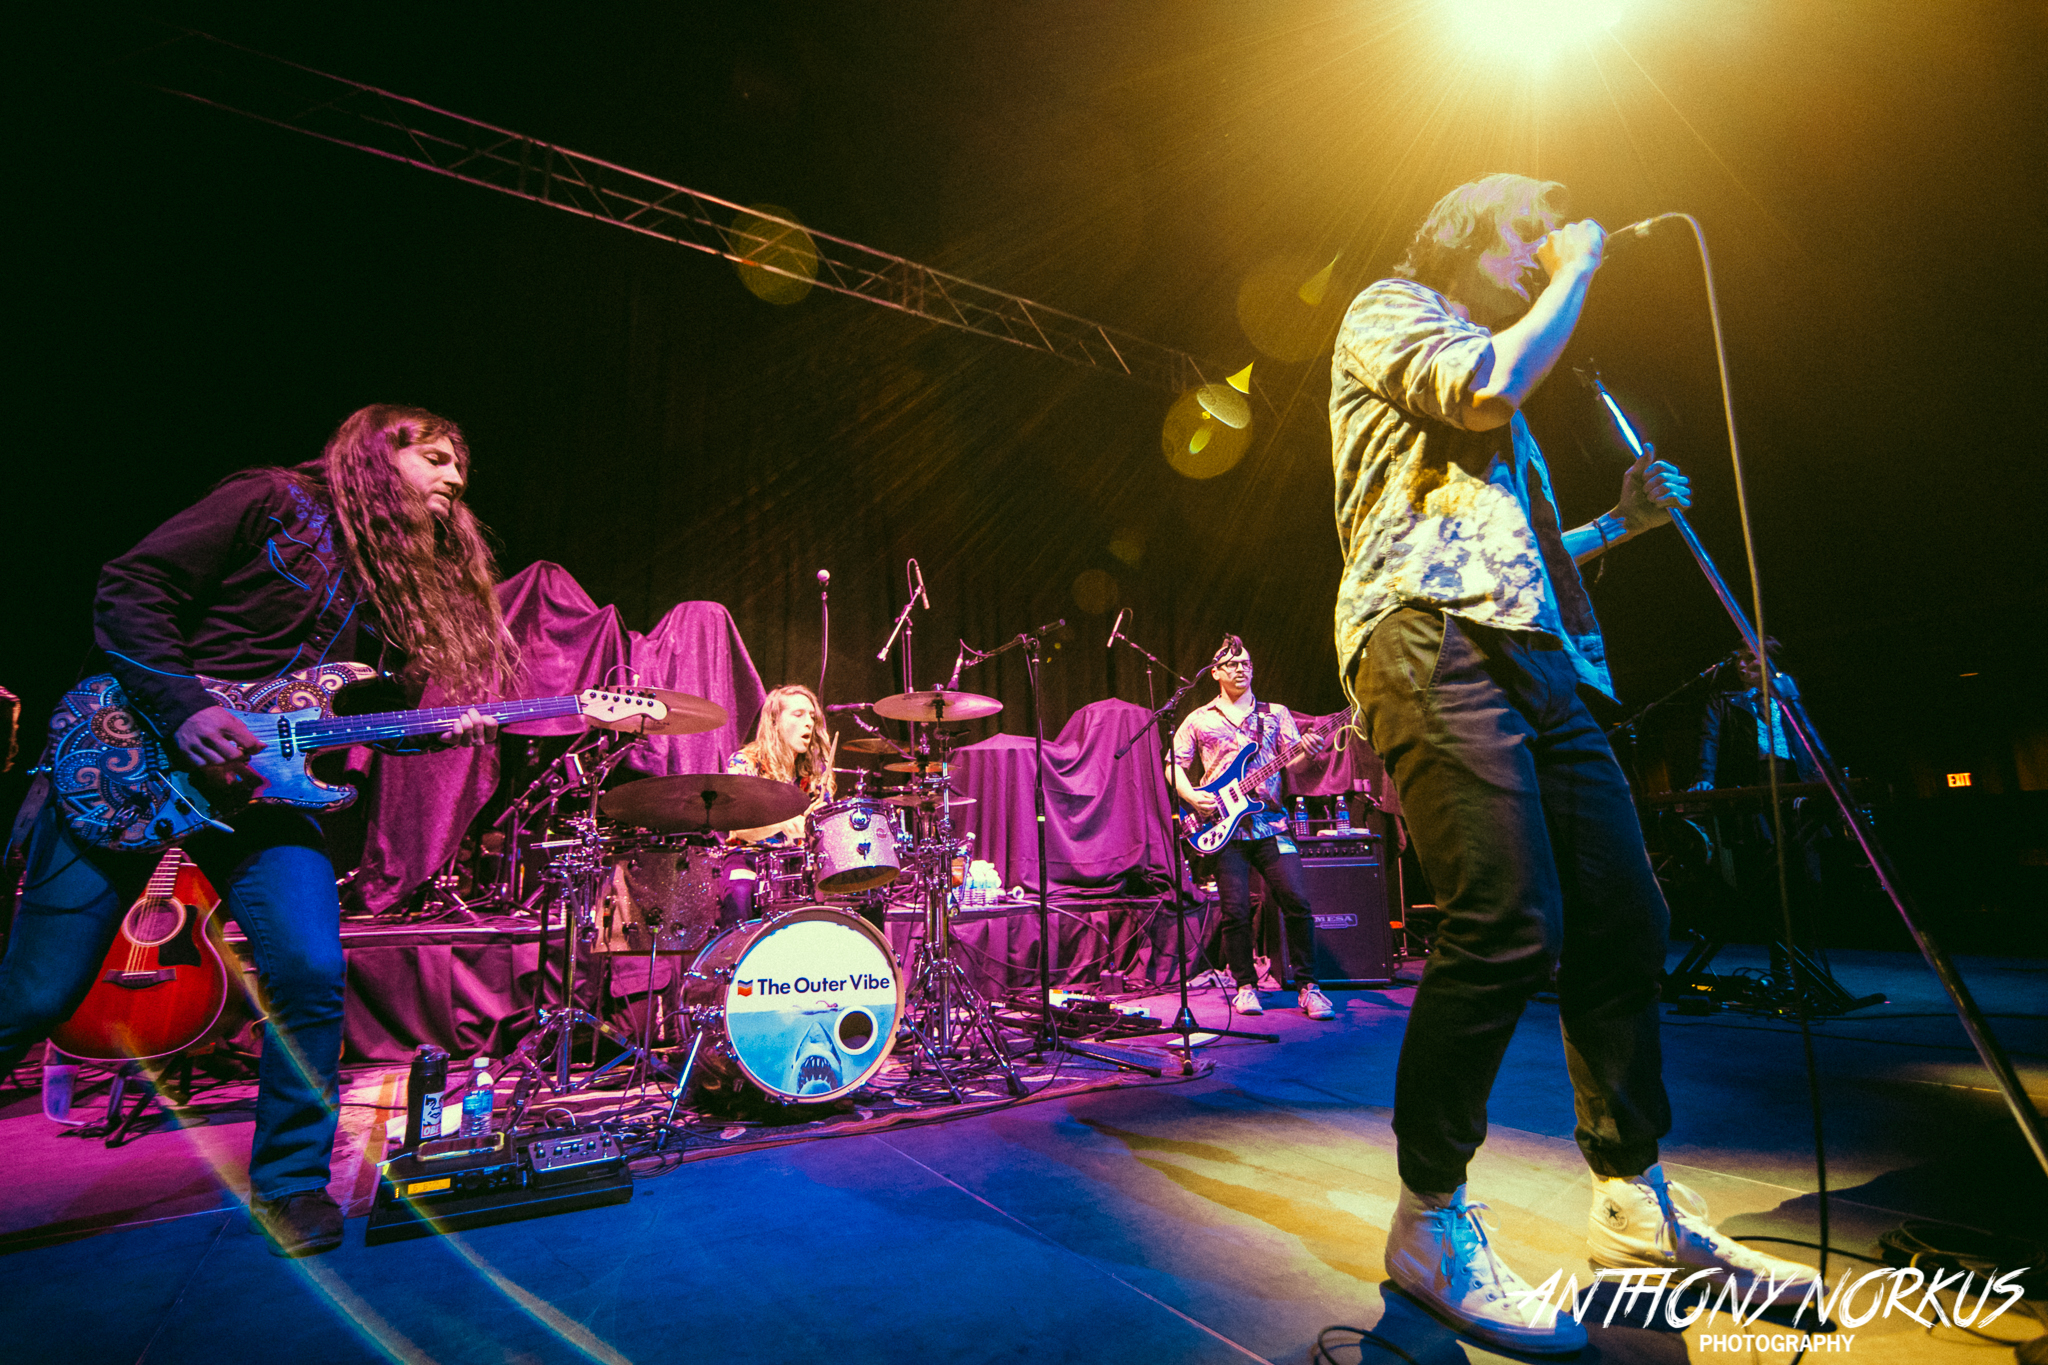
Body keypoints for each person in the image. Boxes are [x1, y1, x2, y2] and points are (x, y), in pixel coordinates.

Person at [1331, 174, 1818, 1352]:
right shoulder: (1391, 308)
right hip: (1425, 636)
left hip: (1541, 657)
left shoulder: (1508, 373)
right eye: (1520, 232)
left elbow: (1516, 546)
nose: (1537, 249)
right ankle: (1427, 1216)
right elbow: (1481, 386)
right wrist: (1579, 267)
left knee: (1621, 917)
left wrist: (1620, 525)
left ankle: (1630, 1199)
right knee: (1503, 923)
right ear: (1458, 233)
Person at [0, 404, 511, 1258]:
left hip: (264, 795)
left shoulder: (398, 583)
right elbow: (131, 587)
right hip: (131, 762)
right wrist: (187, 708)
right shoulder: (272, 501)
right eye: (435, 456)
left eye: (459, 463)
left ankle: (291, 1184)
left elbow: (356, 709)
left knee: (309, 968)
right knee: (37, 995)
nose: (456, 477)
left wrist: (434, 730)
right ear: (377, 453)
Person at [1171, 637, 1334, 1021]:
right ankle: (1245, 986)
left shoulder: (1275, 714)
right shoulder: (1199, 718)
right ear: (1215, 672)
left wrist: (1307, 752)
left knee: (1297, 901)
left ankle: (1309, 986)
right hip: (1223, 827)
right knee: (1236, 911)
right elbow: (1173, 764)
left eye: (1245, 663)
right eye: (1231, 664)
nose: (1240, 669)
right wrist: (1192, 796)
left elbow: (1293, 765)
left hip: (1271, 823)